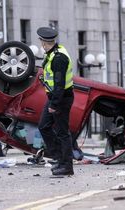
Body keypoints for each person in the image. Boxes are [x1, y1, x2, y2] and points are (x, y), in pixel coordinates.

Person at [37, 27, 75, 176]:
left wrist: (54, 104)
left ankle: (67, 166)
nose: (41, 45)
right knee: (44, 126)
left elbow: (59, 84)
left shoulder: (58, 58)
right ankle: (59, 158)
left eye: (41, 42)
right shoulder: (53, 53)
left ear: (44, 43)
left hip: (61, 98)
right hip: (55, 97)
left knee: (62, 133)